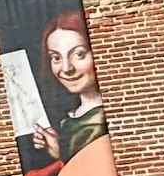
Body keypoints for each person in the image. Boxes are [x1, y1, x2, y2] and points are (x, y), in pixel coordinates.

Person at [28, 11, 107, 162]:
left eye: (79, 54)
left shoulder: (99, 120)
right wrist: (59, 150)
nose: (66, 68)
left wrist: (63, 154)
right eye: (56, 58)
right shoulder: (72, 118)